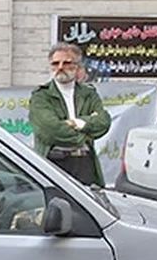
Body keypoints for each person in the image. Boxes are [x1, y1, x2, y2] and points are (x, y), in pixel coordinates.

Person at [28, 42, 111, 186]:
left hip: (84, 164)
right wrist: (85, 134)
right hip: (55, 163)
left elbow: (103, 122)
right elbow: (50, 131)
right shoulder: (41, 96)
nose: (60, 68)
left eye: (66, 63)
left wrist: (79, 123)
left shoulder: (89, 94)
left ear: (77, 66)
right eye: (55, 63)